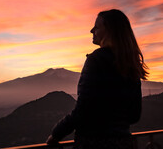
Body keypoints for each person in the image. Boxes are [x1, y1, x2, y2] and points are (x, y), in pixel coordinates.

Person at [46, 9, 148, 149]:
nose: (91, 30)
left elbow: (83, 109)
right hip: (123, 143)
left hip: (94, 142)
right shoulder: (131, 64)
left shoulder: (96, 60)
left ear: (109, 31)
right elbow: (134, 115)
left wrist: (56, 134)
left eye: (97, 27)